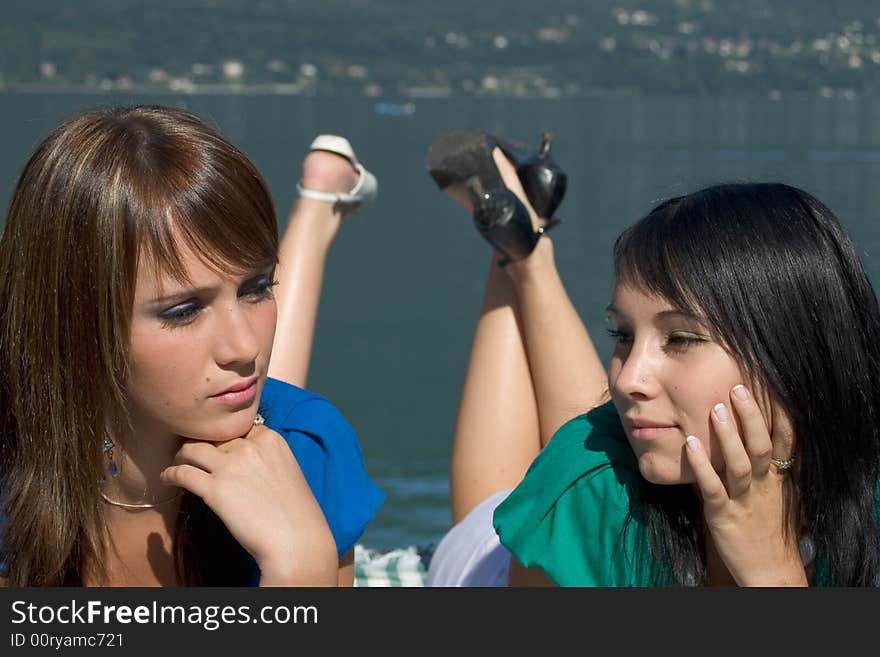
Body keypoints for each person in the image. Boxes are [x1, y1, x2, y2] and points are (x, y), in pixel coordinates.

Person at [424, 128, 880, 586]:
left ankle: (522, 241)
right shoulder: (583, 496)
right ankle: (522, 253)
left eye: (681, 338)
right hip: (495, 567)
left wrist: (771, 569)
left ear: (797, 354)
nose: (627, 378)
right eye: (620, 334)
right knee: (488, 505)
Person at [0, 105, 383, 586]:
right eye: (182, 311)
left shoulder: (307, 451)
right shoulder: (15, 468)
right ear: (75, 321)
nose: (245, 346)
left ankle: (318, 205)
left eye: (258, 287)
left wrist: (301, 564)